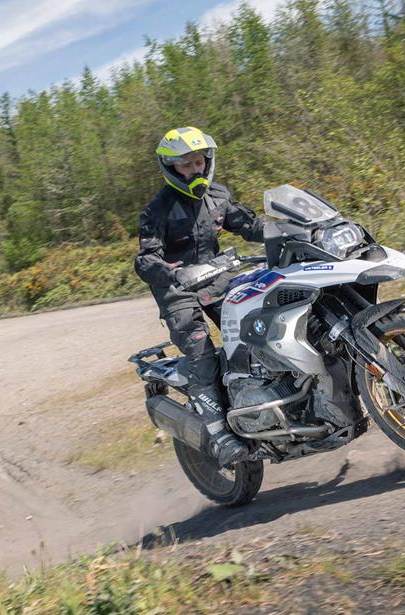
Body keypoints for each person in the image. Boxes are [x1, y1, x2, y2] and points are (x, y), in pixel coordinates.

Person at [134, 126, 265, 466]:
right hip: (178, 293)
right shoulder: (157, 209)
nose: (194, 170)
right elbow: (145, 258)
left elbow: (249, 225)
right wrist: (173, 273)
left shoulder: (218, 195)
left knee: (260, 331)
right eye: (186, 165)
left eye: (198, 162)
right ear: (170, 167)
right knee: (202, 355)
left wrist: (292, 230)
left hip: (218, 282)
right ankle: (220, 435)